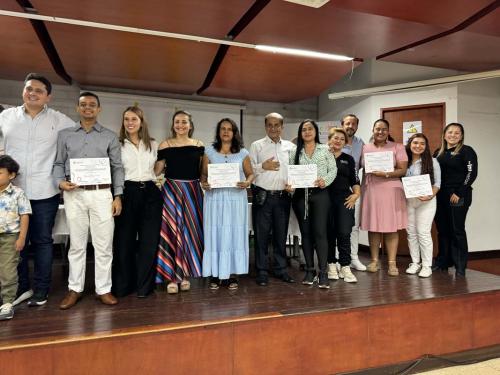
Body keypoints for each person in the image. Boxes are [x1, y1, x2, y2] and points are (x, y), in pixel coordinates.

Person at [0, 73, 74, 307]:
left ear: (48, 97)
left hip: (45, 191)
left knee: (42, 241)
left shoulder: (60, 120)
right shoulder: (6, 116)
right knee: (15, 242)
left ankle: (41, 290)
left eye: (38, 91)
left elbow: (78, 138)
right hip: (13, 192)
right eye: (29, 88)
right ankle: (21, 288)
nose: (32, 93)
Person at [54, 92, 124, 309]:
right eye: (83, 105)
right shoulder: (65, 135)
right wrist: (59, 182)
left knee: (103, 245)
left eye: (92, 105)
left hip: (102, 194)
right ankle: (75, 289)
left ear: (99, 109)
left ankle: (103, 289)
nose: (87, 108)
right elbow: (58, 163)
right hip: (74, 193)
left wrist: (118, 196)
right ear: (77, 108)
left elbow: (117, 168)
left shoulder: (110, 136)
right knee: (76, 244)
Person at [112, 106, 162, 298]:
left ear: (141, 121)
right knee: (124, 242)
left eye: (134, 119)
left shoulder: (152, 144)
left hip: (150, 192)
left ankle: (144, 286)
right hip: (127, 191)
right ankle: (123, 286)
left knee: (148, 243)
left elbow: (156, 170)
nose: (130, 122)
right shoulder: (117, 144)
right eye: (126, 119)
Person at [201, 118, 254, 290]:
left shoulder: (243, 153)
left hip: (235, 199)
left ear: (234, 132)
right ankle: (215, 274)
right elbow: (203, 176)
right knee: (215, 234)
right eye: (222, 129)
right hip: (214, 199)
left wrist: (247, 183)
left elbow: (250, 174)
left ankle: (232, 274)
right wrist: (204, 183)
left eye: (229, 129)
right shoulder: (209, 152)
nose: (225, 132)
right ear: (218, 132)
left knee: (234, 235)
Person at [155, 110, 204, 294]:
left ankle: (184, 275)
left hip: (193, 191)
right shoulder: (165, 144)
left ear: (190, 125)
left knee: (188, 233)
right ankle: (170, 277)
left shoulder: (199, 145)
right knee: (171, 231)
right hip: (171, 190)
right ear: (173, 125)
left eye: (184, 122)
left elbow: (203, 171)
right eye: (177, 122)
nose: (181, 125)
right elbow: (157, 171)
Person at [287, 120, 337, 289]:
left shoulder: (325, 150)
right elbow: (290, 173)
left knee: (320, 233)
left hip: (320, 195)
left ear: (315, 131)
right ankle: (309, 270)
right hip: (301, 197)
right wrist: (290, 186)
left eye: (310, 129)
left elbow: (333, 170)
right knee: (306, 234)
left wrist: (325, 180)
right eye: (303, 130)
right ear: (300, 133)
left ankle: (323, 272)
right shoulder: (294, 152)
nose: (307, 132)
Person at [249, 112, 296, 286]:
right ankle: (261, 271)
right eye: (270, 125)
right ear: (265, 126)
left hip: (283, 197)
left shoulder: (290, 147)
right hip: (263, 197)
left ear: (282, 127)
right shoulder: (257, 146)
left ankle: (280, 269)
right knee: (261, 236)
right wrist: (263, 166)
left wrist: (294, 185)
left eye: (277, 125)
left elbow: (294, 170)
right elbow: (249, 170)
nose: (273, 128)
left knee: (280, 235)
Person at [360, 119, 408, 276]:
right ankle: (374, 261)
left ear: (388, 131)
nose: (380, 132)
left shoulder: (397, 147)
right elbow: (360, 168)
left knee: (390, 227)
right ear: (373, 130)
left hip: (390, 190)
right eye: (377, 129)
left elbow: (402, 170)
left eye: (384, 129)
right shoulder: (365, 148)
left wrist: (386, 173)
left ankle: (392, 263)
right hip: (371, 189)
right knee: (373, 226)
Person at [433, 123, 477, 277]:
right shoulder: (438, 152)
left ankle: (460, 266)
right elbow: (431, 172)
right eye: (450, 132)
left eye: (457, 133)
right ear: (444, 135)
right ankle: (443, 262)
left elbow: (471, 174)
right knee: (443, 230)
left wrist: (459, 192)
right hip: (440, 196)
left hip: (458, 195)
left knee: (457, 230)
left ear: (461, 136)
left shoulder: (467, 151)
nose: (453, 135)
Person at [326, 128, 360, 283]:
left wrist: (356, 194)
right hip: (325, 199)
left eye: (341, 139)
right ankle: (331, 264)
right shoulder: (323, 157)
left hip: (345, 200)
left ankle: (345, 265)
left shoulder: (349, 159)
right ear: (329, 139)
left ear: (345, 142)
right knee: (329, 233)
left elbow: (354, 180)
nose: (338, 141)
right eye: (335, 138)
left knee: (344, 232)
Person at [404, 133, 441, 278]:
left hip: (427, 202)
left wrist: (430, 195)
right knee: (411, 233)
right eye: (415, 143)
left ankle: (427, 266)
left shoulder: (433, 162)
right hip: (408, 202)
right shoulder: (404, 161)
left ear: (426, 146)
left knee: (423, 233)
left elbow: (437, 184)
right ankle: (415, 263)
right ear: (410, 144)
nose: (418, 146)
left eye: (422, 143)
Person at [0, 156, 31, 320]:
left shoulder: (18, 193)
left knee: (8, 270)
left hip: (10, 237)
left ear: (11, 175)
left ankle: (7, 303)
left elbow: (25, 215)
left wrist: (22, 238)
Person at [341, 114, 366, 271]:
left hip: (354, 190)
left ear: (357, 126)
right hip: (336, 190)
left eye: (353, 124)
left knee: (354, 226)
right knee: (338, 226)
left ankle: (354, 258)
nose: (350, 126)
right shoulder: (335, 141)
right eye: (347, 123)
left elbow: (364, 164)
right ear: (342, 124)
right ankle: (338, 259)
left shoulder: (360, 143)